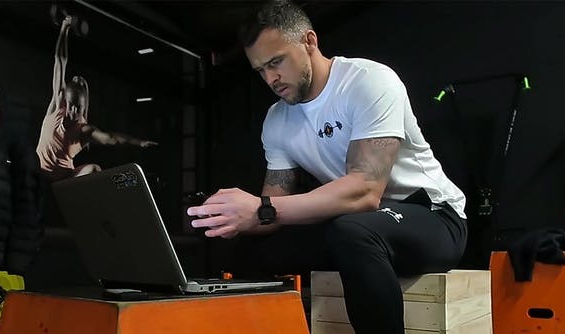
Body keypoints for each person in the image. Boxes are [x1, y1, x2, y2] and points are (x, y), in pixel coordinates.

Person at [186, 1, 467, 333]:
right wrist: (233, 215)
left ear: (309, 42)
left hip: (434, 216)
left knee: (353, 231)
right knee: (250, 252)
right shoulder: (277, 120)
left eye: (276, 62)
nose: (271, 79)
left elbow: (365, 192)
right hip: (357, 221)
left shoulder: (368, 81)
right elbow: (270, 210)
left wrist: (261, 209)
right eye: (261, 70)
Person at [36, 16, 158, 181]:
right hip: (40, 175)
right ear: (66, 101)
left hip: (64, 181)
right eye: (71, 105)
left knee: (94, 169)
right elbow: (59, 62)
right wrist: (64, 29)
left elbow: (111, 139)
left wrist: (138, 142)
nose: (73, 111)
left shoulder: (83, 130)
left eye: (78, 107)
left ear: (83, 106)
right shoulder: (56, 108)